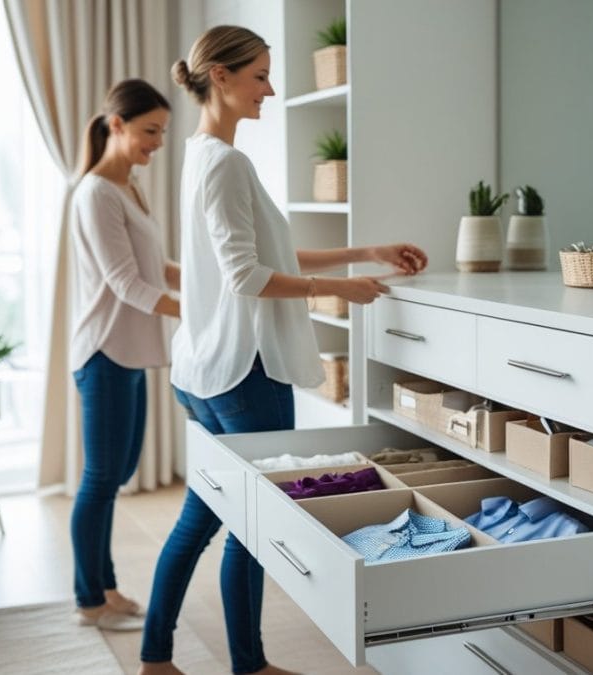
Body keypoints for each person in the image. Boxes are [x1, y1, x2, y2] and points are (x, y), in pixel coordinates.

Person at [139, 25, 427, 675]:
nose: (271, 88)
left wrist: (364, 251)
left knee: (202, 517)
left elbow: (264, 256)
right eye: (261, 75)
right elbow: (248, 276)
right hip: (244, 371)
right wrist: (338, 289)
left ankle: (156, 657)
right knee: (251, 520)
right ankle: (249, 666)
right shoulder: (227, 162)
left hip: (205, 366)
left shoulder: (202, 155)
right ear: (220, 76)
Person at [69, 79, 181, 631]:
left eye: (162, 132)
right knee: (100, 478)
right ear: (117, 125)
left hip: (129, 354)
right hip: (104, 351)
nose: (157, 143)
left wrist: (210, 287)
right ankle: (89, 600)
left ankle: (105, 586)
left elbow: (155, 269)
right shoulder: (95, 193)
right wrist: (194, 312)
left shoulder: (130, 188)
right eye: (149, 131)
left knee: (115, 475)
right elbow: (125, 283)